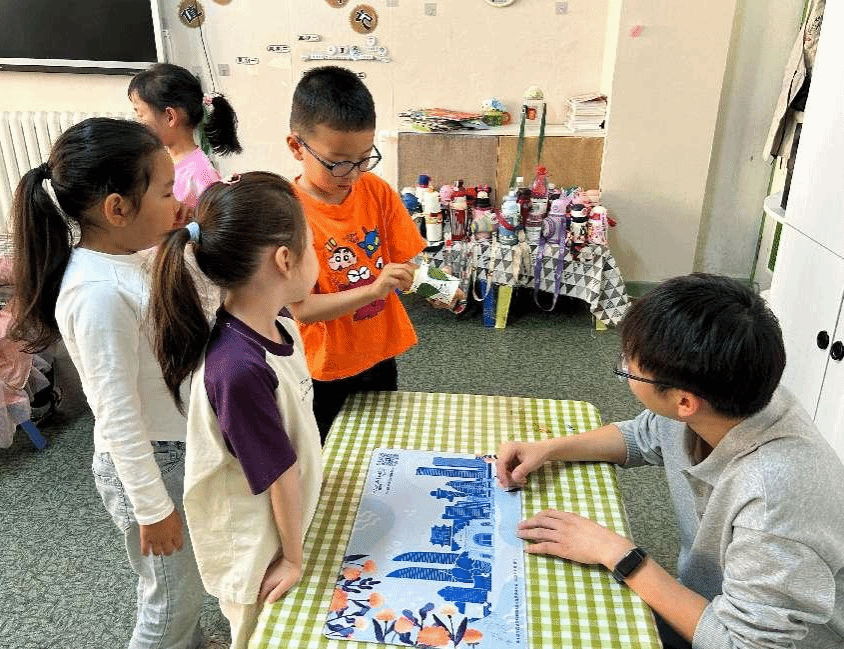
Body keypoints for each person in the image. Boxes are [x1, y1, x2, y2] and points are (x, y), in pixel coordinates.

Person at [496, 273, 844, 649]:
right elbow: (641, 437)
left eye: (628, 368)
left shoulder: (773, 502)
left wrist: (617, 553)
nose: (625, 370)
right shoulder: (728, 393)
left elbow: (742, 644)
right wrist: (549, 449)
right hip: (709, 603)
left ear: (684, 402)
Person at [8, 118, 209, 649]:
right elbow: (116, 415)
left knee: (186, 585)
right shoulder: (95, 293)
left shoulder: (134, 254)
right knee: (170, 599)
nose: (177, 201)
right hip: (150, 463)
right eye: (166, 192)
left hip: (176, 448)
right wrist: (152, 508)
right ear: (117, 209)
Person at [150, 172, 323, 649]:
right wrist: (292, 558)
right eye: (312, 246)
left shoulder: (280, 325)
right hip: (257, 555)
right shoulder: (238, 369)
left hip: (286, 525)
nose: (317, 256)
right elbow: (278, 472)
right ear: (284, 260)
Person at [285, 65, 442, 442]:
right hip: (323, 366)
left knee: (380, 441)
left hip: (378, 352)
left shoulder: (376, 191)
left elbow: (405, 262)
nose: (353, 174)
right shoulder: (287, 212)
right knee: (328, 449)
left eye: (364, 158)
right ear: (296, 147)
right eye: (338, 162)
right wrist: (372, 290)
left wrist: (431, 285)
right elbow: (300, 308)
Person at [129, 62, 242, 222]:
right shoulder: (160, 158)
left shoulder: (201, 175)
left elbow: (212, 227)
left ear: (170, 117)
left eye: (140, 114)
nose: (138, 122)